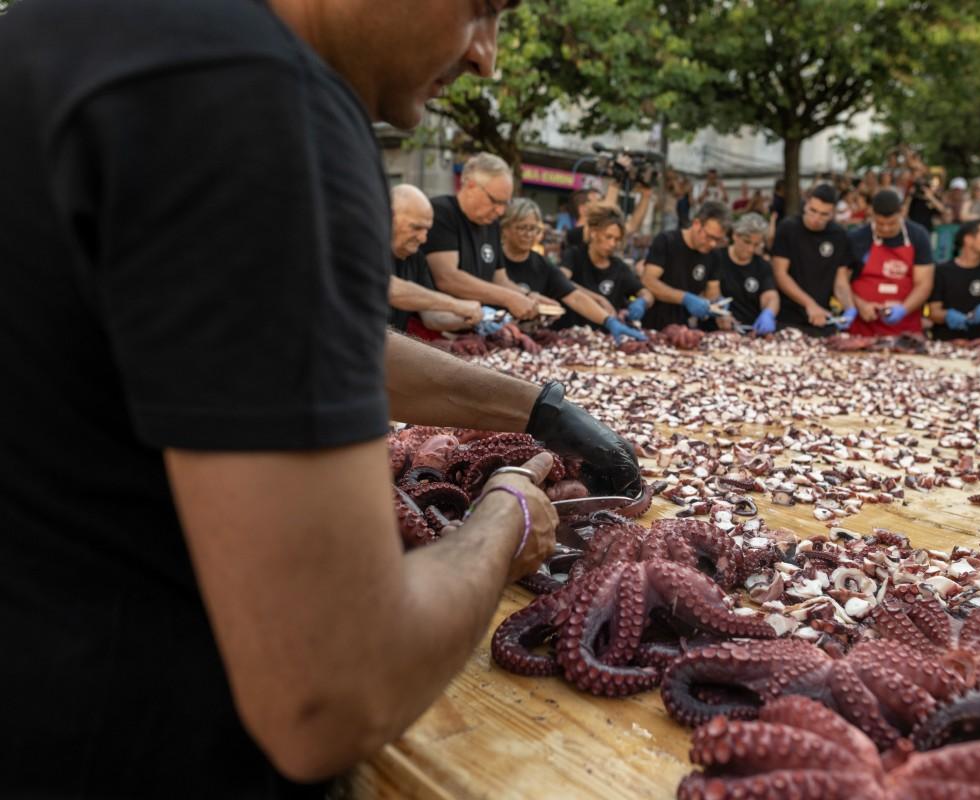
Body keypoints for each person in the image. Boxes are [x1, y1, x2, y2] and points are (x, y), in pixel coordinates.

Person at [0, 0, 643, 797]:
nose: (488, 57)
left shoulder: (76, 36)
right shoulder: (262, 101)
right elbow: (331, 692)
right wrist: (504, 519)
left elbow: (265, 334)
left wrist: (534, 407)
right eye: (483, 8)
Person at [498, 199, 644, 343]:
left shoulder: (543, 265)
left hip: (526, 341)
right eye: (522, 228)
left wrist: (608, 321)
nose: (528, 234)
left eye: (533, 229)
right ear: (506, 228)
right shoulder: (494, 258)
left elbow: (574, 296)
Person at [424, 153, 538, 321]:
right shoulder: (442, 212)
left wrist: (528, 297)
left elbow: (499, 279)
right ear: (470, 186)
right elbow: (447, 278)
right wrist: (509, 298)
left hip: (475, 325)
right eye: (495, 201)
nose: (500, 211)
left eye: (505, 203)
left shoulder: (491, 224)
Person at [387, 184, 484, 334]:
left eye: (427, 229)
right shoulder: (361, 246)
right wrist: (455, 304)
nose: (423, 238)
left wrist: (473, 319)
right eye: (416, 228)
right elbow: (388, 288)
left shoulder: (416, 258)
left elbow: (432, 317)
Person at [846, 189, 935, 337]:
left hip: (906, 328)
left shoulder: (918, 236)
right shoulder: (857, 238)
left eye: (892, 223)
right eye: (880, 224)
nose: (886, 229)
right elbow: (842, 281)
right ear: (871, 214)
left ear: (902, 212)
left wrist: (903, 309)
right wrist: (859, 304)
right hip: (863, 328)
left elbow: (924, 284)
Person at [771, 184, 854, 336]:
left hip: (822, 318)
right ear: (806, 204)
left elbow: (840, 280)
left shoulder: (839, 235)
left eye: (824, 214)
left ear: (833, 213)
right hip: (787, 318)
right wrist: (809, 304)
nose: (816, 218)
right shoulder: (788, 228)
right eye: (813, 210)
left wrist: (849, 307)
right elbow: (780, 274)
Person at [640, 200, 732, 330]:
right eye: (709, 237)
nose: (712, 244)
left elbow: (712, 293)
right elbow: (648, 281)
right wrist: (685, 298)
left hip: (684, 328)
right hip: (651, 324)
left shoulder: (714, 255)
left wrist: (718, 306)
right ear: (696, 224)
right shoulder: (667, 241)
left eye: (718, 240)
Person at [561, 205, 655, 326]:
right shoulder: (574, 255)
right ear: (594, 233)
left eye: (617, 239)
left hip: (604, 336)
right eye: (608, 237)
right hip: (571, 332)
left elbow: (647, 294)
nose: (612, 244)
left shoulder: (619, 268)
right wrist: (598, 299)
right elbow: (560, 281)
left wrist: (642, 302)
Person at [928, 221, 980, 341]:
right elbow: (933, 312)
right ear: (968, 239)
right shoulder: (942, 270)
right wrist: (947, 315)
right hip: (945, 342)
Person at [713, 213, 780, 335]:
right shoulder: (716, 258)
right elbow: (709, 292)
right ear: (735, 236)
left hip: (751, 330)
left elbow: (770, 296)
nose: (750, 249)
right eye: (747, 242)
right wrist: (718, 310)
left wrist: (769, 313)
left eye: (756, 244)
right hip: (718, 331)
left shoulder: (762, 265)